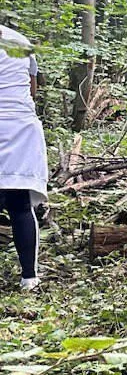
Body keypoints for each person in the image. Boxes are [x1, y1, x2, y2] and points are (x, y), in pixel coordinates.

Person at [0, 24, 47, 291]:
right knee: (20, 205)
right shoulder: (20, 40)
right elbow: (32, 89)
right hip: (20, 127)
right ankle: (29, 278)